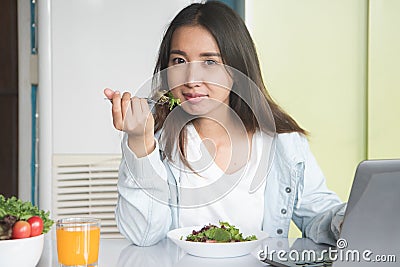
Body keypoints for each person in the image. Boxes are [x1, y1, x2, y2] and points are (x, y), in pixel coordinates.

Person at [104, 1, 345, 247]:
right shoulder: (153, 138)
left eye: (209, 62)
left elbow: (320, 216)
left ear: (237, 68)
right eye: (179, 61)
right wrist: (140, 143)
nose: (191, 79)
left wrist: (343, 221)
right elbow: (143, 236)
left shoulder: (284, 143)